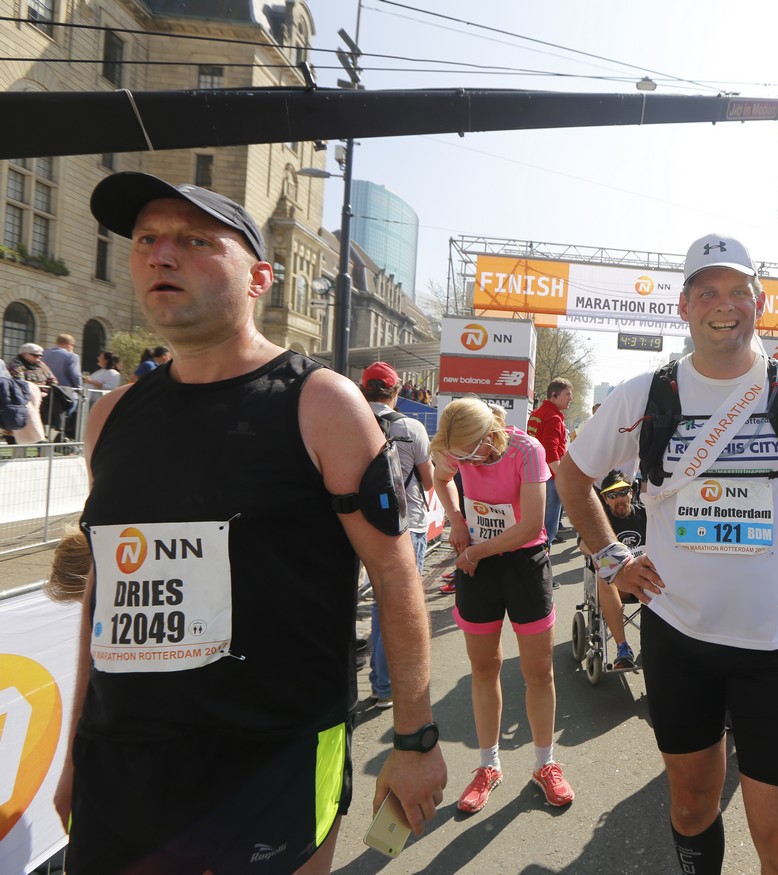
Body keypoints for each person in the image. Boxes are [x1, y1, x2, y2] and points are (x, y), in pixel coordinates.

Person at [60, 172, 446, 874]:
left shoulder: (321, 403)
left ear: (260, 278)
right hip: (124, 758)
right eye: (146, 239)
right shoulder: (110, 416)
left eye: (195, 241)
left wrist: (415, 739)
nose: (161, 254)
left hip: (274, 757)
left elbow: (395, 575)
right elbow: (103, 590)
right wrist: (75, 750)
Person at [556, 233, 778, 875]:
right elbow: (572, 477)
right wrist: (611, 559)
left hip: (776, 646)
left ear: (758, 303)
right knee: (690, 808)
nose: (725, 304)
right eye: (708, 291)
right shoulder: (644, 394)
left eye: (739, 291)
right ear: (684, 306)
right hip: (677, 640)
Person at [430, 397, 575, 814]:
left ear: (490, 436)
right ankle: (488, 765)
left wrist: (475, 552)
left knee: (538, 670)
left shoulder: (526, 449)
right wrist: (457, 519)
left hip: (522, 564)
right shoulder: (458, 447)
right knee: (483, 667)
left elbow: (531, 525)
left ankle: (545, 763)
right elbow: (441, 478)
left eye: (469, 455)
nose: (465, 463)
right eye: (459, 457)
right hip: (478, 565)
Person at [360, 361, 436, 711]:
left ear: (364, 388)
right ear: (396, 391)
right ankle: (385, 685)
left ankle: (368, 681)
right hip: (405, 524)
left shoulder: (349, 420)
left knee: (365, 600)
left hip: (356, 524)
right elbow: (429, 481)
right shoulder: (411, 427)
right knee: (395, 604)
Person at [579, 470, 645, 671]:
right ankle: (623, 648)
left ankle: (658, 642)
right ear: (605, 499)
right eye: (612, 495)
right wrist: (598, 552)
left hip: (645, 580)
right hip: (617, 583)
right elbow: (583, 543)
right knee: (605, 577)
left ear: (631, 492)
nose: (619, 498)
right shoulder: (600, 520)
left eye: (623, 492)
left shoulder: (645, 514)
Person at [527, 378, 573, 545]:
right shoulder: (553, 418)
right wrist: (561, 477)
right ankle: (545, 552)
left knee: (537, 521)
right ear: (554, 395)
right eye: (567, 394)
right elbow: (550, 451)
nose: (571, 398)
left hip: (535, 474)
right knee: (549, 525)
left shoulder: (536, 414)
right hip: (551, 477)